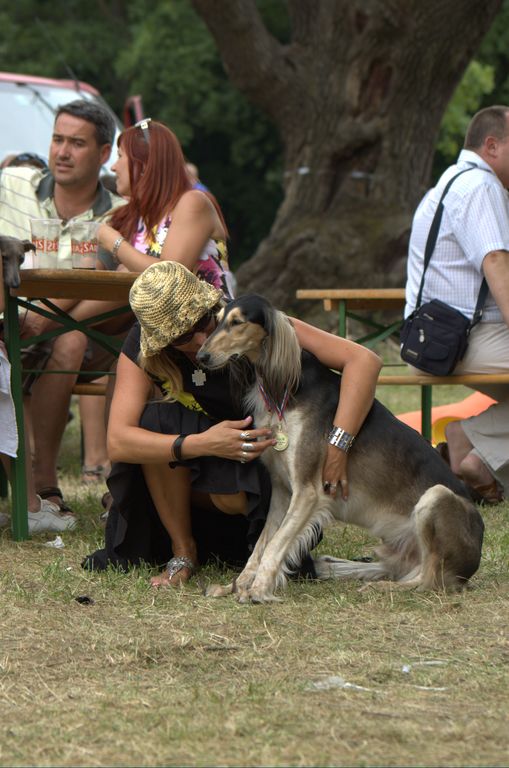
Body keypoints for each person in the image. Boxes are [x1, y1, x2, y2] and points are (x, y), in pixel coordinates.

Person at [83, 261, 382, 586]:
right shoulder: (145, 346)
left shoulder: (246, 321)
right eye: (184, 336)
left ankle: (253, 547)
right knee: (156, 421)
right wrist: (204, 443)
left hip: (260, 478)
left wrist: (337, 448)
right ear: (162, 341)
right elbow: (118, 441)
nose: (201, 339)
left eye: (204, 320)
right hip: (200, 467)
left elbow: (363, 361)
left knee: (234, 492)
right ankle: (183, 552)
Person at [0, 99, 125, 521]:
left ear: (104, 153)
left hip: (85, 335)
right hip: (7, 322)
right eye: (57, 139)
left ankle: (43, 480)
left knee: (66, 338)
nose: (62, 152)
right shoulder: (13, 183)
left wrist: (43, 319)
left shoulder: (118, 212)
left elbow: (112, 282)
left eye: (77, 143)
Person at [404, 105, 509, 504]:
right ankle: (469, 440)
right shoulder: (481, 187)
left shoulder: (451, 180)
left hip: (434, 337)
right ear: (493, 145)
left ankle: (480, 462)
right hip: (463, 342)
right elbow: (497, 262)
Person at [96, 119, 234, 298]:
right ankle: (57, 324)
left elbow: (169, 277)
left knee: (127, 277)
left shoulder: (192, 203)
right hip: (142, 318)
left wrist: (115, 243)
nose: (113, 167)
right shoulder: (132, 214)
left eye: (120, 156)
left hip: (201, 319)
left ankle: (59, 325)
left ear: (144, 164)